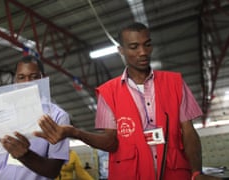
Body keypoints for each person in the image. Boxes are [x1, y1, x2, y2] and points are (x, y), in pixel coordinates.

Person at [34, 22, 221, 180]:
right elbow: (110, 142)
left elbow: (188, 132)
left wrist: (196, 172)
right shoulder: (108, 93)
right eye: (134, 47)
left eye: (147, 45)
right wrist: (74, 132)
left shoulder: (175, 83)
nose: (142, 52)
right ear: (121, 50)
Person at [0, 55, 70, 180]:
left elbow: (53, 170)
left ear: (43, 79)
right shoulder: (1, 113)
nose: (27, 82)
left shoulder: (57, 116)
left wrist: (25, 155)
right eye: (21, 77)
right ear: (15, 82)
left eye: (34, 77)